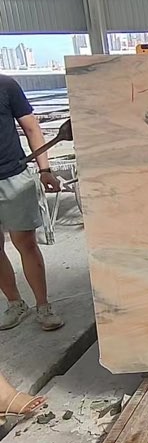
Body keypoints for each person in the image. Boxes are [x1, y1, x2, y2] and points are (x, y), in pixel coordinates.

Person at [0, 74, 64, 331]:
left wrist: (45, 169)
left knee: (25, 243)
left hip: (13, 176)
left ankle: (43, 306)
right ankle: (15, 303)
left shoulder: (6, 85)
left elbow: (31, 128)